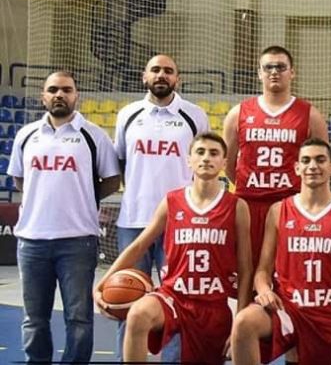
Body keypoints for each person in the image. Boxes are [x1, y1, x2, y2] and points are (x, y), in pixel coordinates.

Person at [94, 132, 252, 364]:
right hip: (173, 297)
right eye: (200, 152)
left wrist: (240, 318)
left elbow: (246, 268)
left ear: (224, 163)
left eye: (214, 153)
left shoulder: (237, 206)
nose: (206, 158)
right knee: (137, 315)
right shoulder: (172, 201)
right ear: (189, 160)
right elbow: (139, 245)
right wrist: (102, 283)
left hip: (212, 306)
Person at [7, 71, 121, 363]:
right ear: (43, 96)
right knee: (34, 318)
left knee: (79, 318)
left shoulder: (94, 136)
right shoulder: (26, 135)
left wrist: (83, 196)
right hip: (32, 240)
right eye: (53, 89)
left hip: (78, 240)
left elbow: (111, 180)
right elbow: (20, 179)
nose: (60, 94)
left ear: (76, 95)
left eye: (66, 90)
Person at [230, 138, 331, 364]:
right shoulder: (278, 211)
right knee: (244, 323)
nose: (312, 166)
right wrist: (264, 289)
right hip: (289, 311)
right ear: (296, 168)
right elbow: (263, 270)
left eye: (320, 160)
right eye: (306, 160)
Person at [113, 53, 208, 361]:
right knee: (124, 300)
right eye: (155, 70)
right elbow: (122, 163)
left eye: (168, 71)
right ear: (145, 76)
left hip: (179, 224)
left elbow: (202, 166)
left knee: (179, 302)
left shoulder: (194, 115)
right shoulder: (128, 114)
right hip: (133, 221)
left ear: (177, 78)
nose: (161, 75)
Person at [224, 45, 329, 277]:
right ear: (259, 73)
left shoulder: (310, 114)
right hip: (249, 204)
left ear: (292, 72)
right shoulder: (238, 113)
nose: (274, 72)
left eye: (281, 67)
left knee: (289, 273)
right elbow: (228, 163)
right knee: (246, 272)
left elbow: (323, 165)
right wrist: (249, 183)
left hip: (290, 205)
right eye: (268, 67)